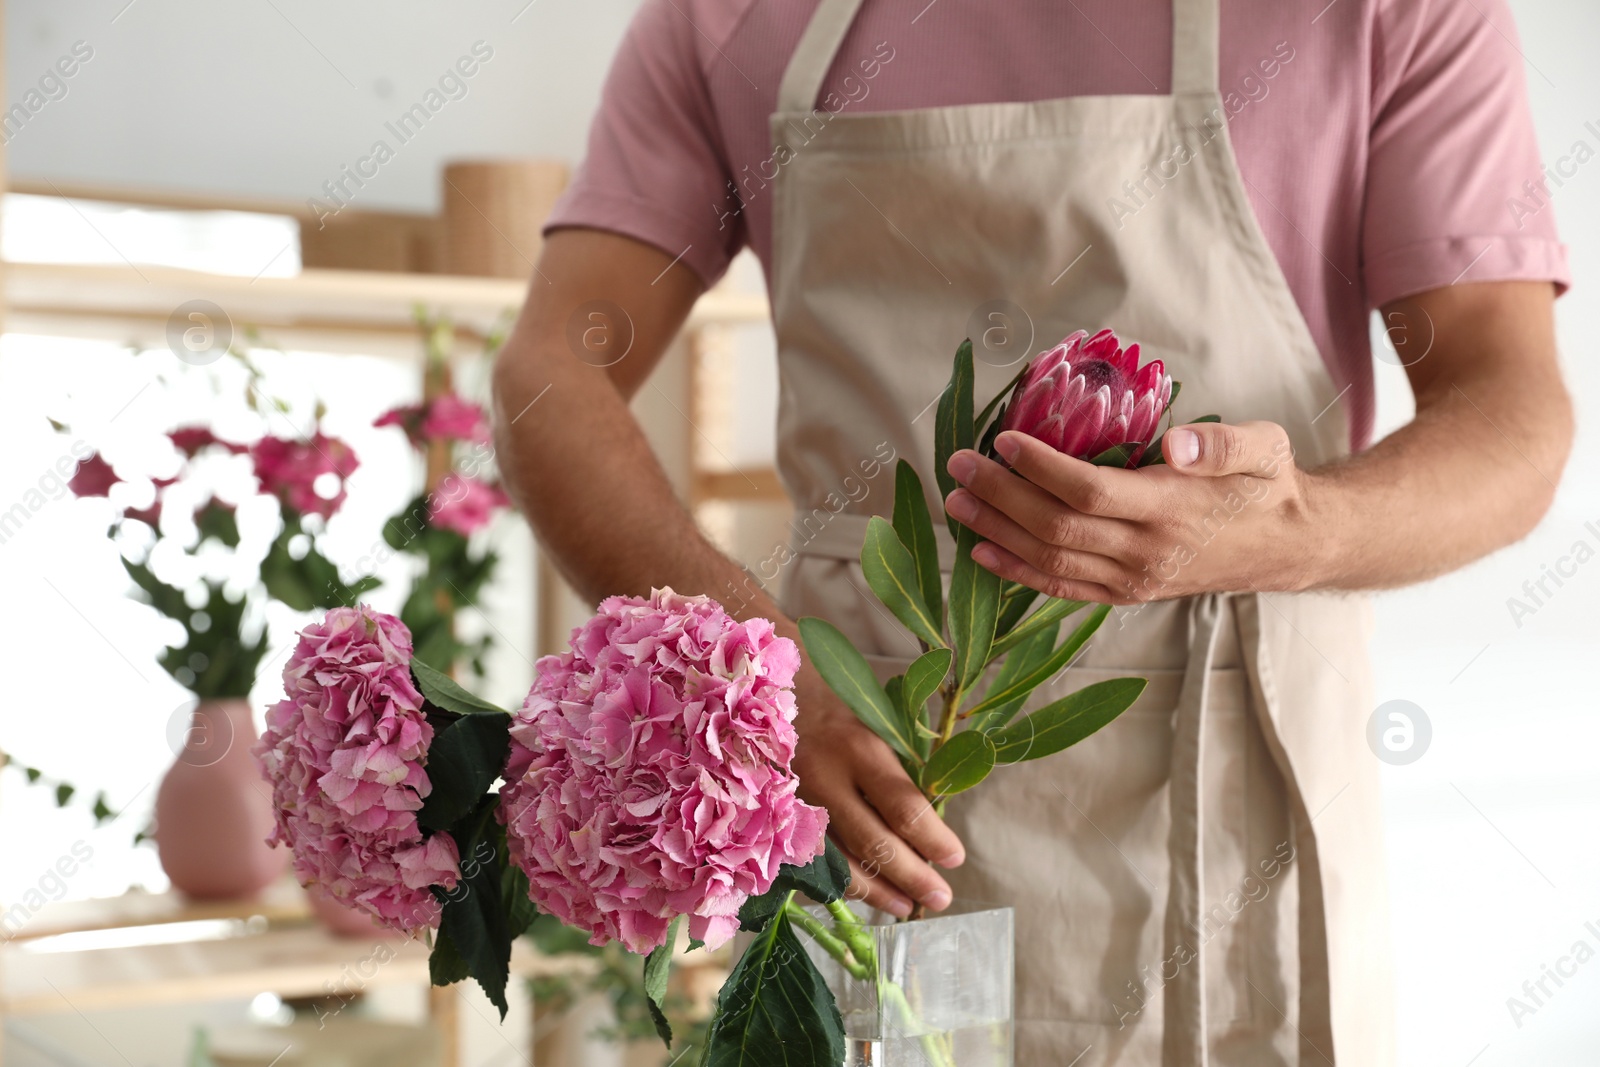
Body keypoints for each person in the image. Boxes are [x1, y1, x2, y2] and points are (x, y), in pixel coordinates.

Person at [491, 0, 1571, 1061]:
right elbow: (552, 373)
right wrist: (760, 692)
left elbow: (1512, 416)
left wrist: (1296, 529)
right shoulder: (723, 17)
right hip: (862, 778)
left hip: (1228, 790)